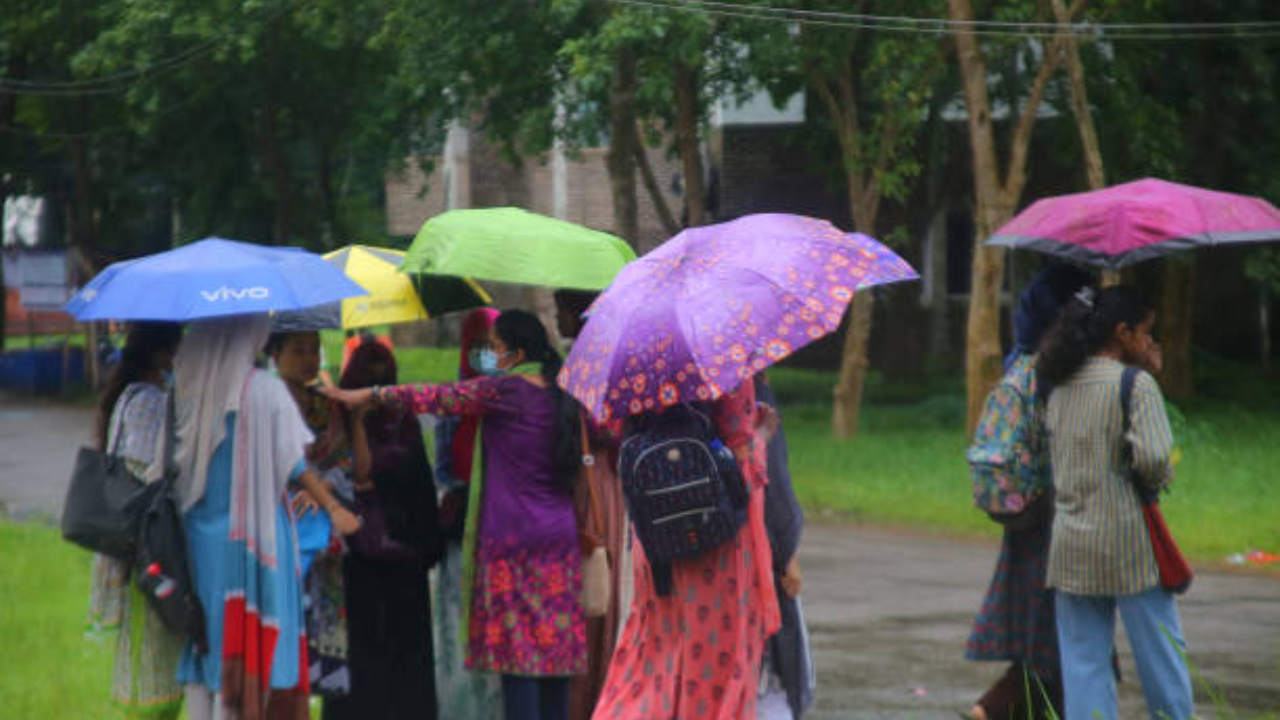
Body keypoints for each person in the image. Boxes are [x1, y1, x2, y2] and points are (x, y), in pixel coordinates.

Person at [325, 309, 586, 720]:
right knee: (554, 659)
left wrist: (368, 394)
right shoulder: (563, 391)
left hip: (512, 544)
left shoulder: (506, 391)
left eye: (495, 349)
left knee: (519, 661)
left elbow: (437, 396)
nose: (489, 357)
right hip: (558, 538)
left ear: (517, 353)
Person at [173, 315, 360, 720]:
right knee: (254, 646)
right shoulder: (266, 390)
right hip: (258, 541)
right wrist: (334, 508)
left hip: (200, 541)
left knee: (208, 642)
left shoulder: (186, 387)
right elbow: (294, 464)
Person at [1036, 285, 1194, 720]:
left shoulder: (1058, 385)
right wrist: (1161, 478)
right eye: (1146, 333)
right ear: (1123, 333)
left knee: (1084, 664)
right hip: (1129, 545)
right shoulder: (1135, 384)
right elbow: (1155, 457)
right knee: (1161, 657)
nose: (1151, 343)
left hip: (1070, 545)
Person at [590, 378, 781, 720]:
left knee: (655, 655)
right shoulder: (725, 361)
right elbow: (741, 459)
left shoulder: (634, 365)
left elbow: (611, 430)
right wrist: (762, 434)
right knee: (713, 659)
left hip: (656, 535)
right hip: (715, 536)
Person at [965, 265, 1092, 720]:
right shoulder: (1055, 372)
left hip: (1025, 516)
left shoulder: (1019, 364)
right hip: (1055, 522)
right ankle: (988, 710)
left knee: (1046, 643)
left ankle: (995, 708)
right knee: (1054, 647)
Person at [324, 339, 441, 720]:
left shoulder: (400, 419)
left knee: (391, 656)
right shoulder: (351, 423)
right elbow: (357, 476)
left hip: (392, 555)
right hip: (372, 557)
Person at [87, 321, 185, 720]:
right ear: (161, 354)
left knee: (155, 663)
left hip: (140, 544)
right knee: (151, 668)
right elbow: (151, 475)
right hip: (148, 547)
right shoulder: (146, 400)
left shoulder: (134, 394)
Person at [265, 330, 357, 703]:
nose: (308, 359)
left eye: (314, 351)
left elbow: (345, 460)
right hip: (281, 529)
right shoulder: (265, 403)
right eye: (297, 350)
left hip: (324, 531)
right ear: (274, 355)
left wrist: (325, 486)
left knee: (324, 620)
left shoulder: (327, 404)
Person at [554, 289, 631, 720]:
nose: (557, 318)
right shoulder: (605, 354)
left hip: (594, 481)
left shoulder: (591, 359)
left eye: (559, 308)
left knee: (592, 581)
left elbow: (608, 426)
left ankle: (587, 699)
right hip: (605, 479)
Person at [431, 307, 504, 720]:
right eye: (476, 347)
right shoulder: (453, 403)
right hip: (463, 531)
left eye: (491, 346)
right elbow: (443, 467)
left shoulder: (513, 399)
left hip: (504, 532)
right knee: (462, 624)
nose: (483, 356)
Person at [754, 374, 814, 720]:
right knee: (769, 673)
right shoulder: (752, 391)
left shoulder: (681, 387)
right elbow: (772, 478)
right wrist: (786, 554)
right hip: (754, 551)